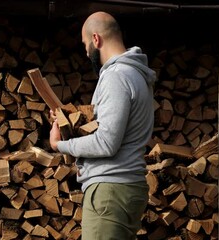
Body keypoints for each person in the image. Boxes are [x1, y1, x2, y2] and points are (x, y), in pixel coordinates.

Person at [49, 11, 157, 240]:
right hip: (126, 187)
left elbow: (106, 143)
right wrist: (70, 121)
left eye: (85, 44)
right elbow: (112, 129)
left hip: (110, 189)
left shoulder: (116, 76)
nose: (86, 51)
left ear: (96, 39)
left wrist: (60, 145)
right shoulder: (136, 75)